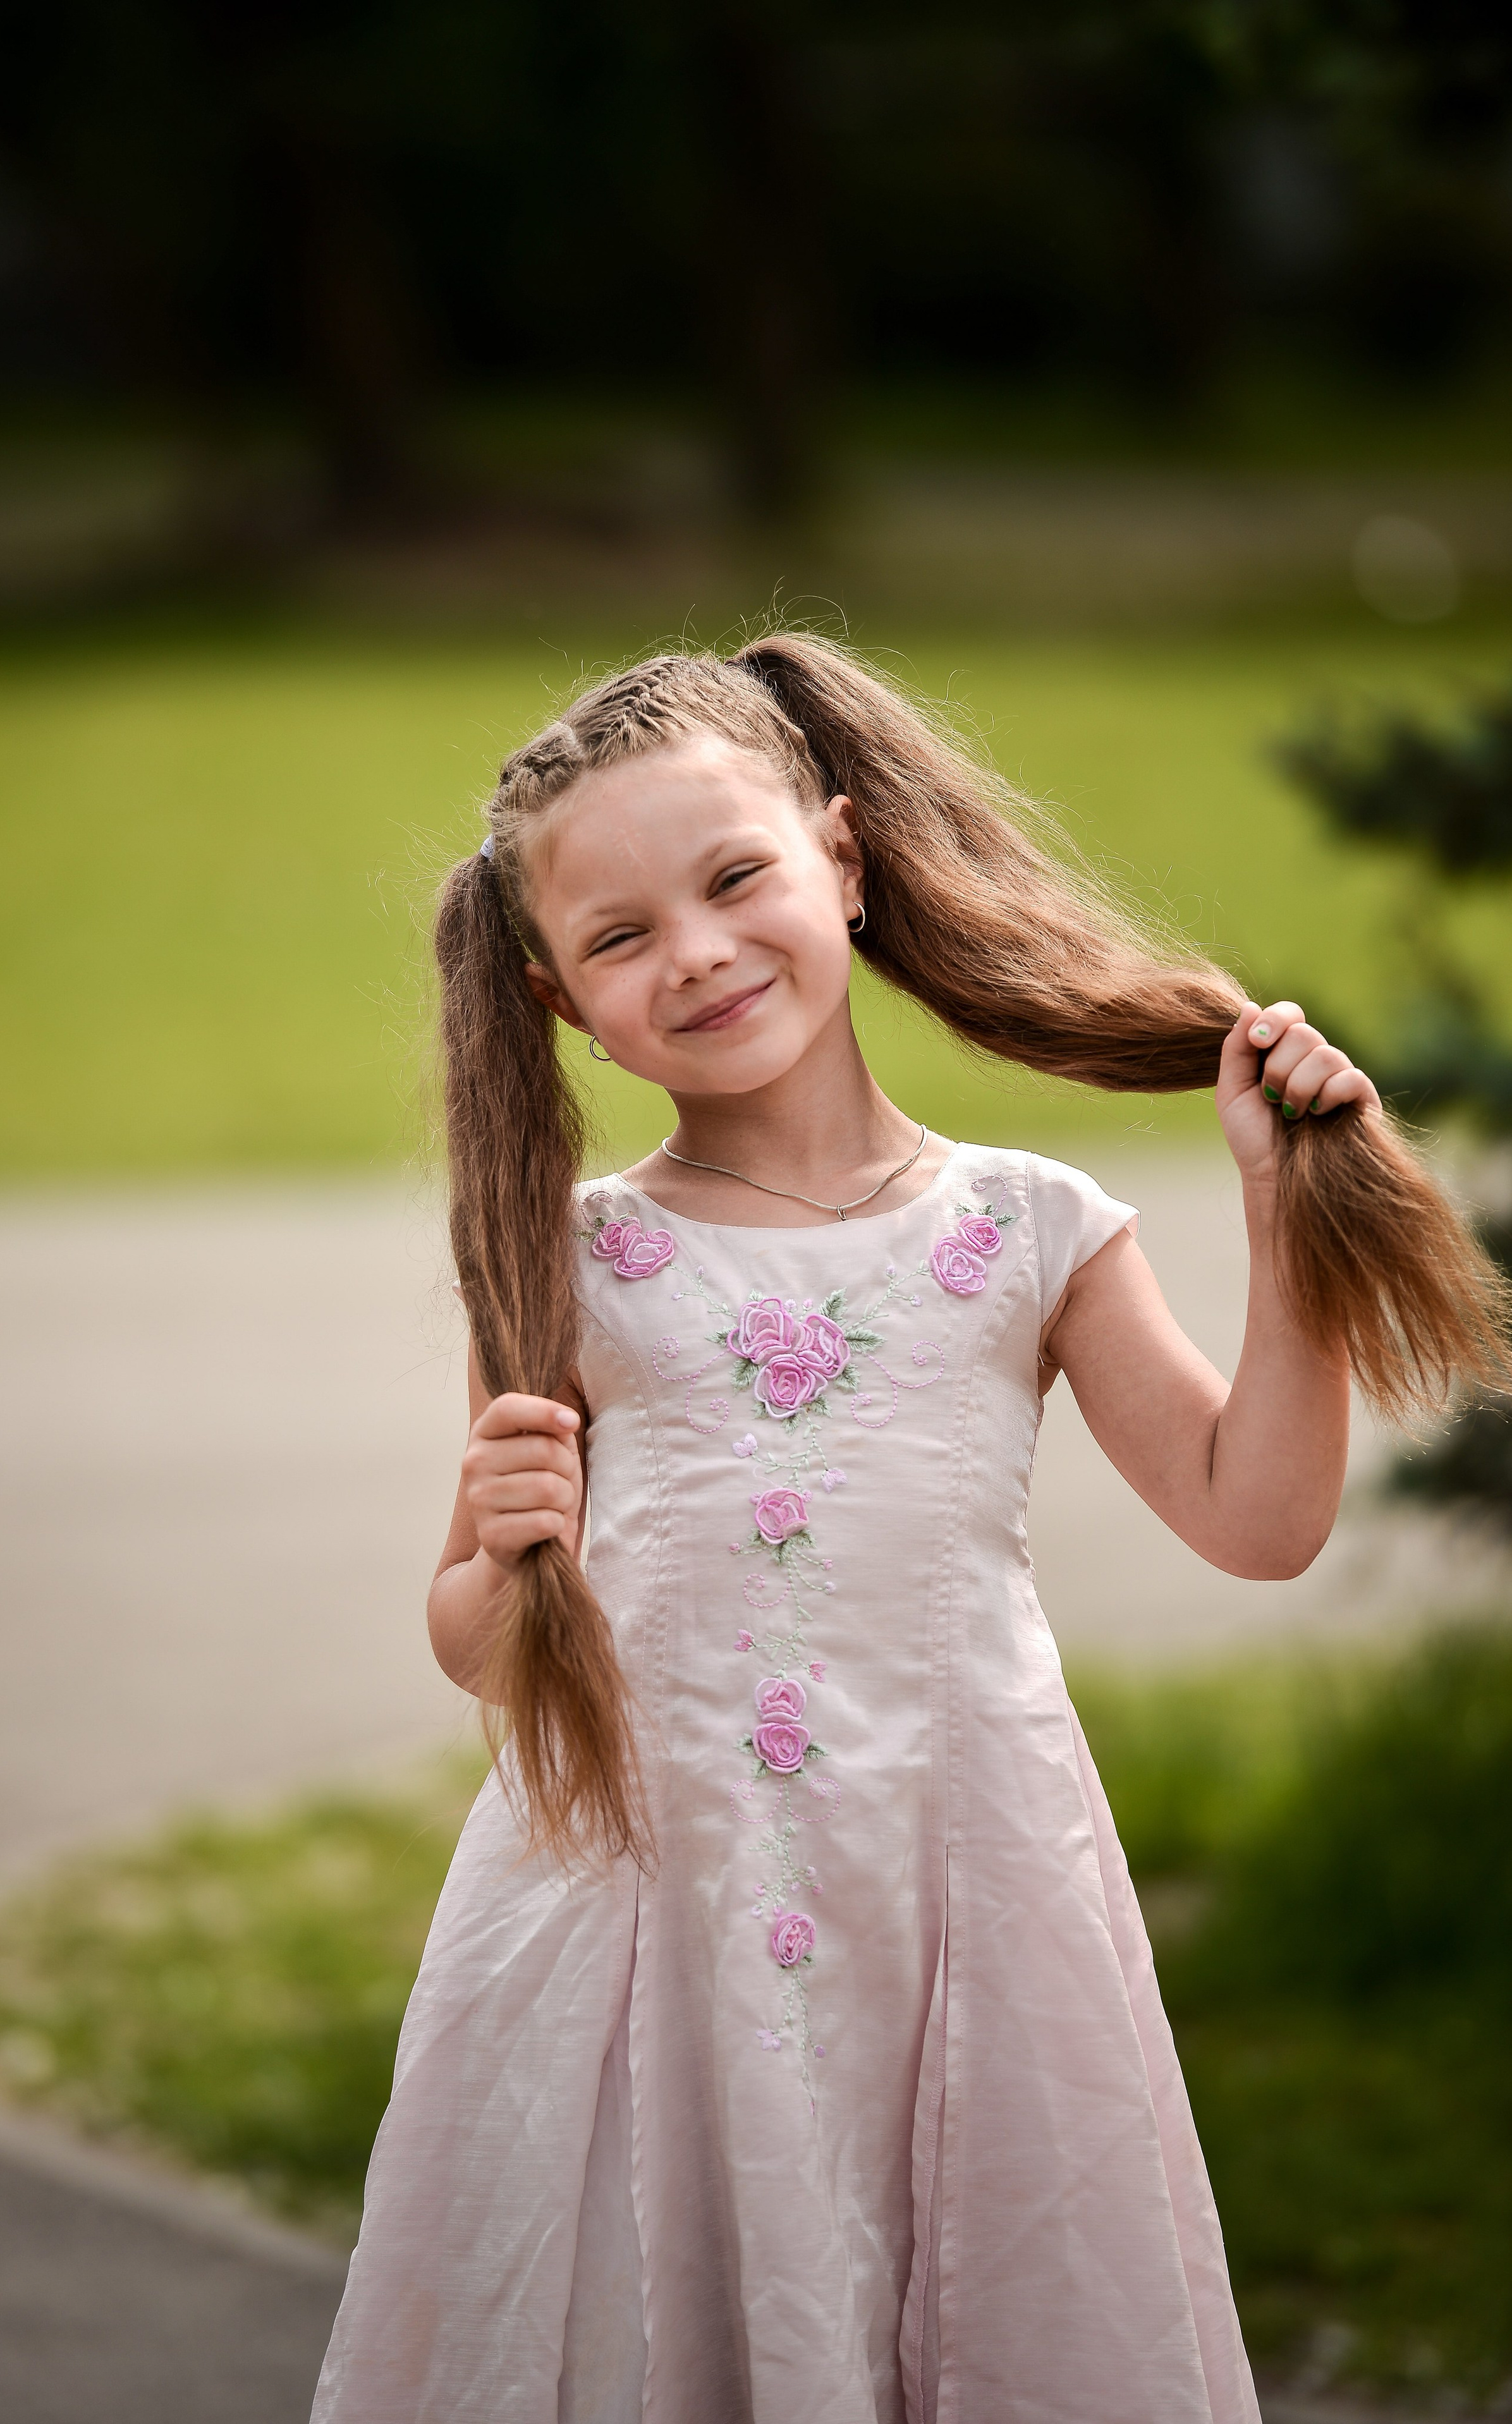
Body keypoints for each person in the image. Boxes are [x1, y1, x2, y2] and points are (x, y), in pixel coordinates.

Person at [312, 635, 1506, 2424]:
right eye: (622, 935)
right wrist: (485, 1548)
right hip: (650, 1914)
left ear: (844, 861)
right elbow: (491, 1644)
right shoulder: (570, 1256)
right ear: (561, 994)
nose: (699, 952)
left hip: (965, 1888)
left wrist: (1285, 1222)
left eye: (735, 880)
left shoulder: (1032, 1230)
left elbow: (1255, 1518)